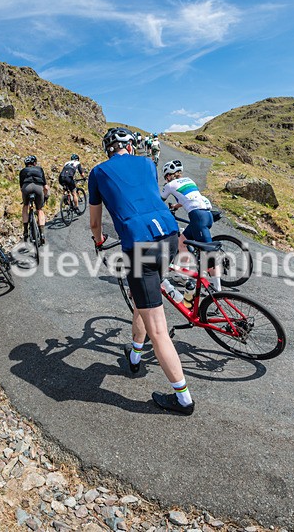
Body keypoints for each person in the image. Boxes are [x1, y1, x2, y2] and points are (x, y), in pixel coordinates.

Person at [89, 127, 194, 415]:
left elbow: (95, 223)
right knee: (143, 302)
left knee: (158, 329)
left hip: (140, 245)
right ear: (131, 146)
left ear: (108, 149)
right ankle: (135, 355)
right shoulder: (148, 163)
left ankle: (183, 399)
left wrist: (99, 241)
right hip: (169, 235)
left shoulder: (98, 172)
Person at [160, 159, 221, 291]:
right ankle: (183, 276)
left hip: (198, 217)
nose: (166, 179)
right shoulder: (189, 180)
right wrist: (176, 206)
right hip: (206, 215)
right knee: (182, 242)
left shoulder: (170, 185)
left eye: (166, 177)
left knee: (209, 257)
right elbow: (190, 197)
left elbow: (159, 201)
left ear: (169, 175)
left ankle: (218, 290)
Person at [19, 155, 49, 244]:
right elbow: (45, 187)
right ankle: (42, 233)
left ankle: (25, 231)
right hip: (38, 188)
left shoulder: (22, 171)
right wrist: (46, 196)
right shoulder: (39, 169)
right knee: (40, 210)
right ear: (35, 163)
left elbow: (21, 187)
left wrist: (25, 199)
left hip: (26, 187)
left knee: (25, 206)